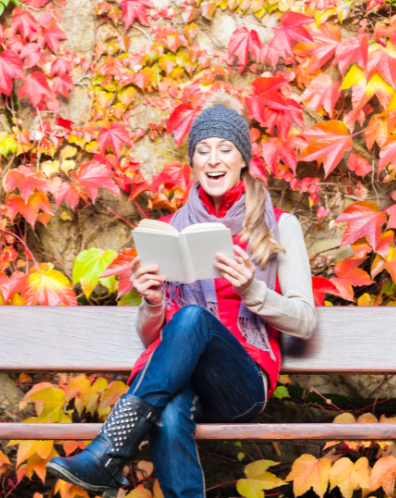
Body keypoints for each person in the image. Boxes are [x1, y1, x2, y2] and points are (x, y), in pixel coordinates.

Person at [46, 91, 317, 498]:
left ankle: (109, 449)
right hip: (179, 378)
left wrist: (252, 290)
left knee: (192, 318)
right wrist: (152, 302)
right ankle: (110, 455)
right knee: (170, 412)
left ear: (243, 159)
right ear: (192, 162)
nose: (213, 159)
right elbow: (153, 339)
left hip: (243, 382)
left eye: (225, 149)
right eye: (203, 150)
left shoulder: (280, 225)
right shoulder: (172, 228)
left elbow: (305, 322)